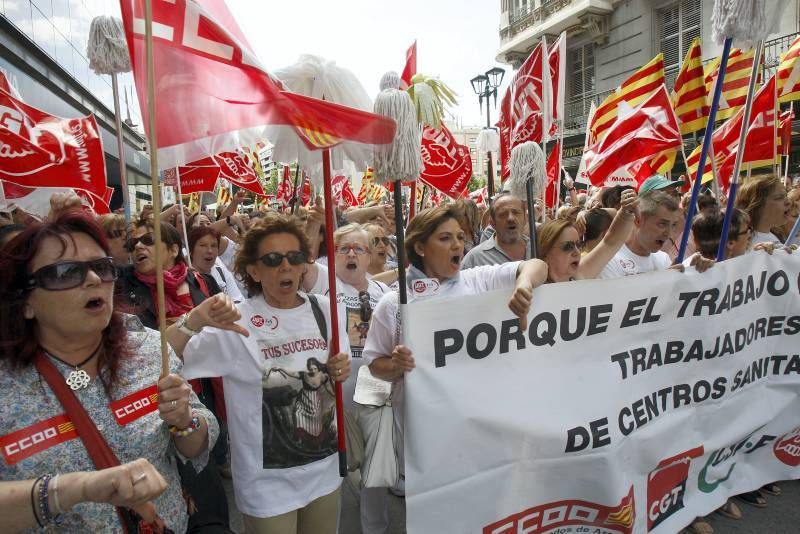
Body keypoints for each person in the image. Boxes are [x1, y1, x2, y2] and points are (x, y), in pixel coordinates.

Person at [0, 211, 218, 532]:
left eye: (101, 267)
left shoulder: (149, 350)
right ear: (26, 301)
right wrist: (73, 490)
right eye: (64, 272)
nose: (92, 280)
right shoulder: (8, 386)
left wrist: (186, 422)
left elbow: (198, 442)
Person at [361, 205, 548, 529]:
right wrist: (395, 365)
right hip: (426, 444)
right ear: (420, 247)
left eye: (461, 237)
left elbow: (537, 265)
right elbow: (373, 367)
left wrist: (525, 285)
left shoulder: (476, 281)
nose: (458, 245)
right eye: (445, 238)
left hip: (482, 436)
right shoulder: (394, 303)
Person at [165, 214, 351, 534]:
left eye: (294, 257)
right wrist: (194, 319)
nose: (286, 266)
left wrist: (340, 368)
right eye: (273, 259)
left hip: (323, 470)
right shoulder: (238, 320)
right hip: (268, 485)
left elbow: (338, 364)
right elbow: (162, 358)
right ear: (253, 269)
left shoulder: (326, 308)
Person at [598, 191, 713, 278]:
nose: (668, 233)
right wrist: (662, 280)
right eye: (662, 224)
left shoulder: (663, 259)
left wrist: (693, 272)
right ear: (638, 221)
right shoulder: (609, 260)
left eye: (673, 225)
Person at [538, 189, 639, 282]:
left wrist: (626, 210)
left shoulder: (579, 276)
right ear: (546, 252)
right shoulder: (531, 284)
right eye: (567, 247)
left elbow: (610, 243)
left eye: (578, 245)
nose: (576, 252)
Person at [462, 192, 530, 268]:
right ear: (492, 222)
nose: (511, 218)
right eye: (503, 214)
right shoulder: (474, 259)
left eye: (516, 212)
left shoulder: (539, 248)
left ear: (525, 219)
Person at [189, 226, 244, 303]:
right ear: (191, 251)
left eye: (214, 245)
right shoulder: (186, 279)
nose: (209, 250)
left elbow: (238, 299)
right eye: (203, 245)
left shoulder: (221, 271)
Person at [735, 174, 792, 245]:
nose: (789, 202)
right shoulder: (744, 245)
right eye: (779, 197)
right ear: (757, 204)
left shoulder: (777, 236)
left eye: (786, 195)